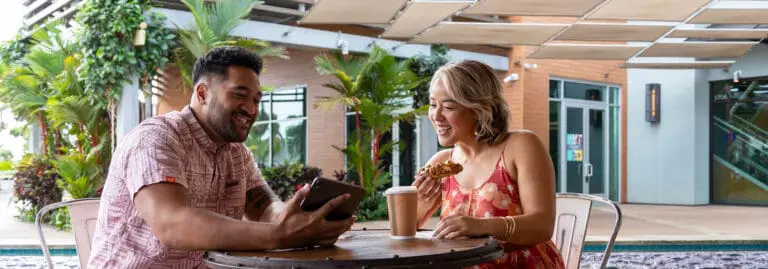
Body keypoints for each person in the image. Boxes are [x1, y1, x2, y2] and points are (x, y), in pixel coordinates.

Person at [88, 47, 355, 268]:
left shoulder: (236, 154)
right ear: (202, 94)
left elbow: (264, 209)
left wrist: (297, 218)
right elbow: (172, 224)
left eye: (257, 99)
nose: (251, 109)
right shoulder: (157, 139)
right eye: (240, 95)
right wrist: (278, 235)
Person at [413, 60, 565, 268]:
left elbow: (542, 225)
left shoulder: (520, 146)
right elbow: (406, 233)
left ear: (479, 108)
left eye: (448, 106)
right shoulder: (441, 163)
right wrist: (415, 199)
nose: (436, 115)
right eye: (432, 105)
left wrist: (480, 226)